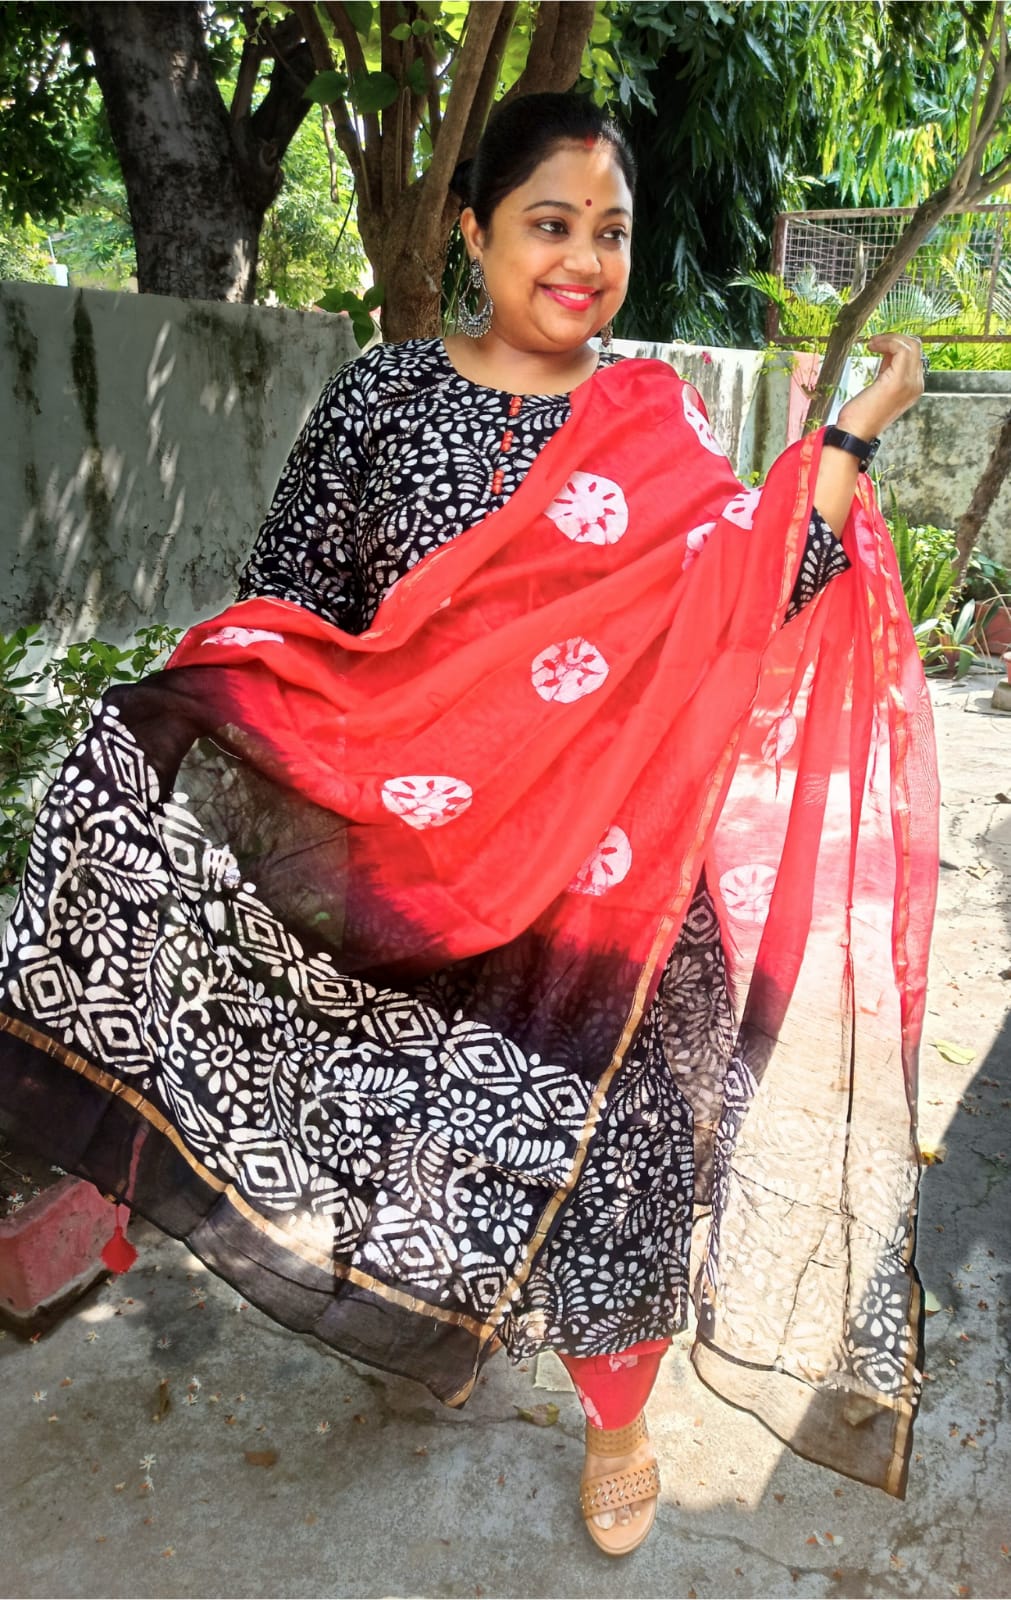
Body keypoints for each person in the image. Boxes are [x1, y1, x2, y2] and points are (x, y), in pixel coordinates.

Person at [0, 94, 935, 1557]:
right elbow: (293, 605)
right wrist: (201, 715)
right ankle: (446, 1308)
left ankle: (617, 1415)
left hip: (615, 873)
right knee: (446, 1125)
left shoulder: (653, 420)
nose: (582, 261)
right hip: (422, 849)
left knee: (619, 1144)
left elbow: (749, 597)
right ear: (474, 231)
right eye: (549, 225)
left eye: (609, 232)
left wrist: (856, 437)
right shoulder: (378, 400)